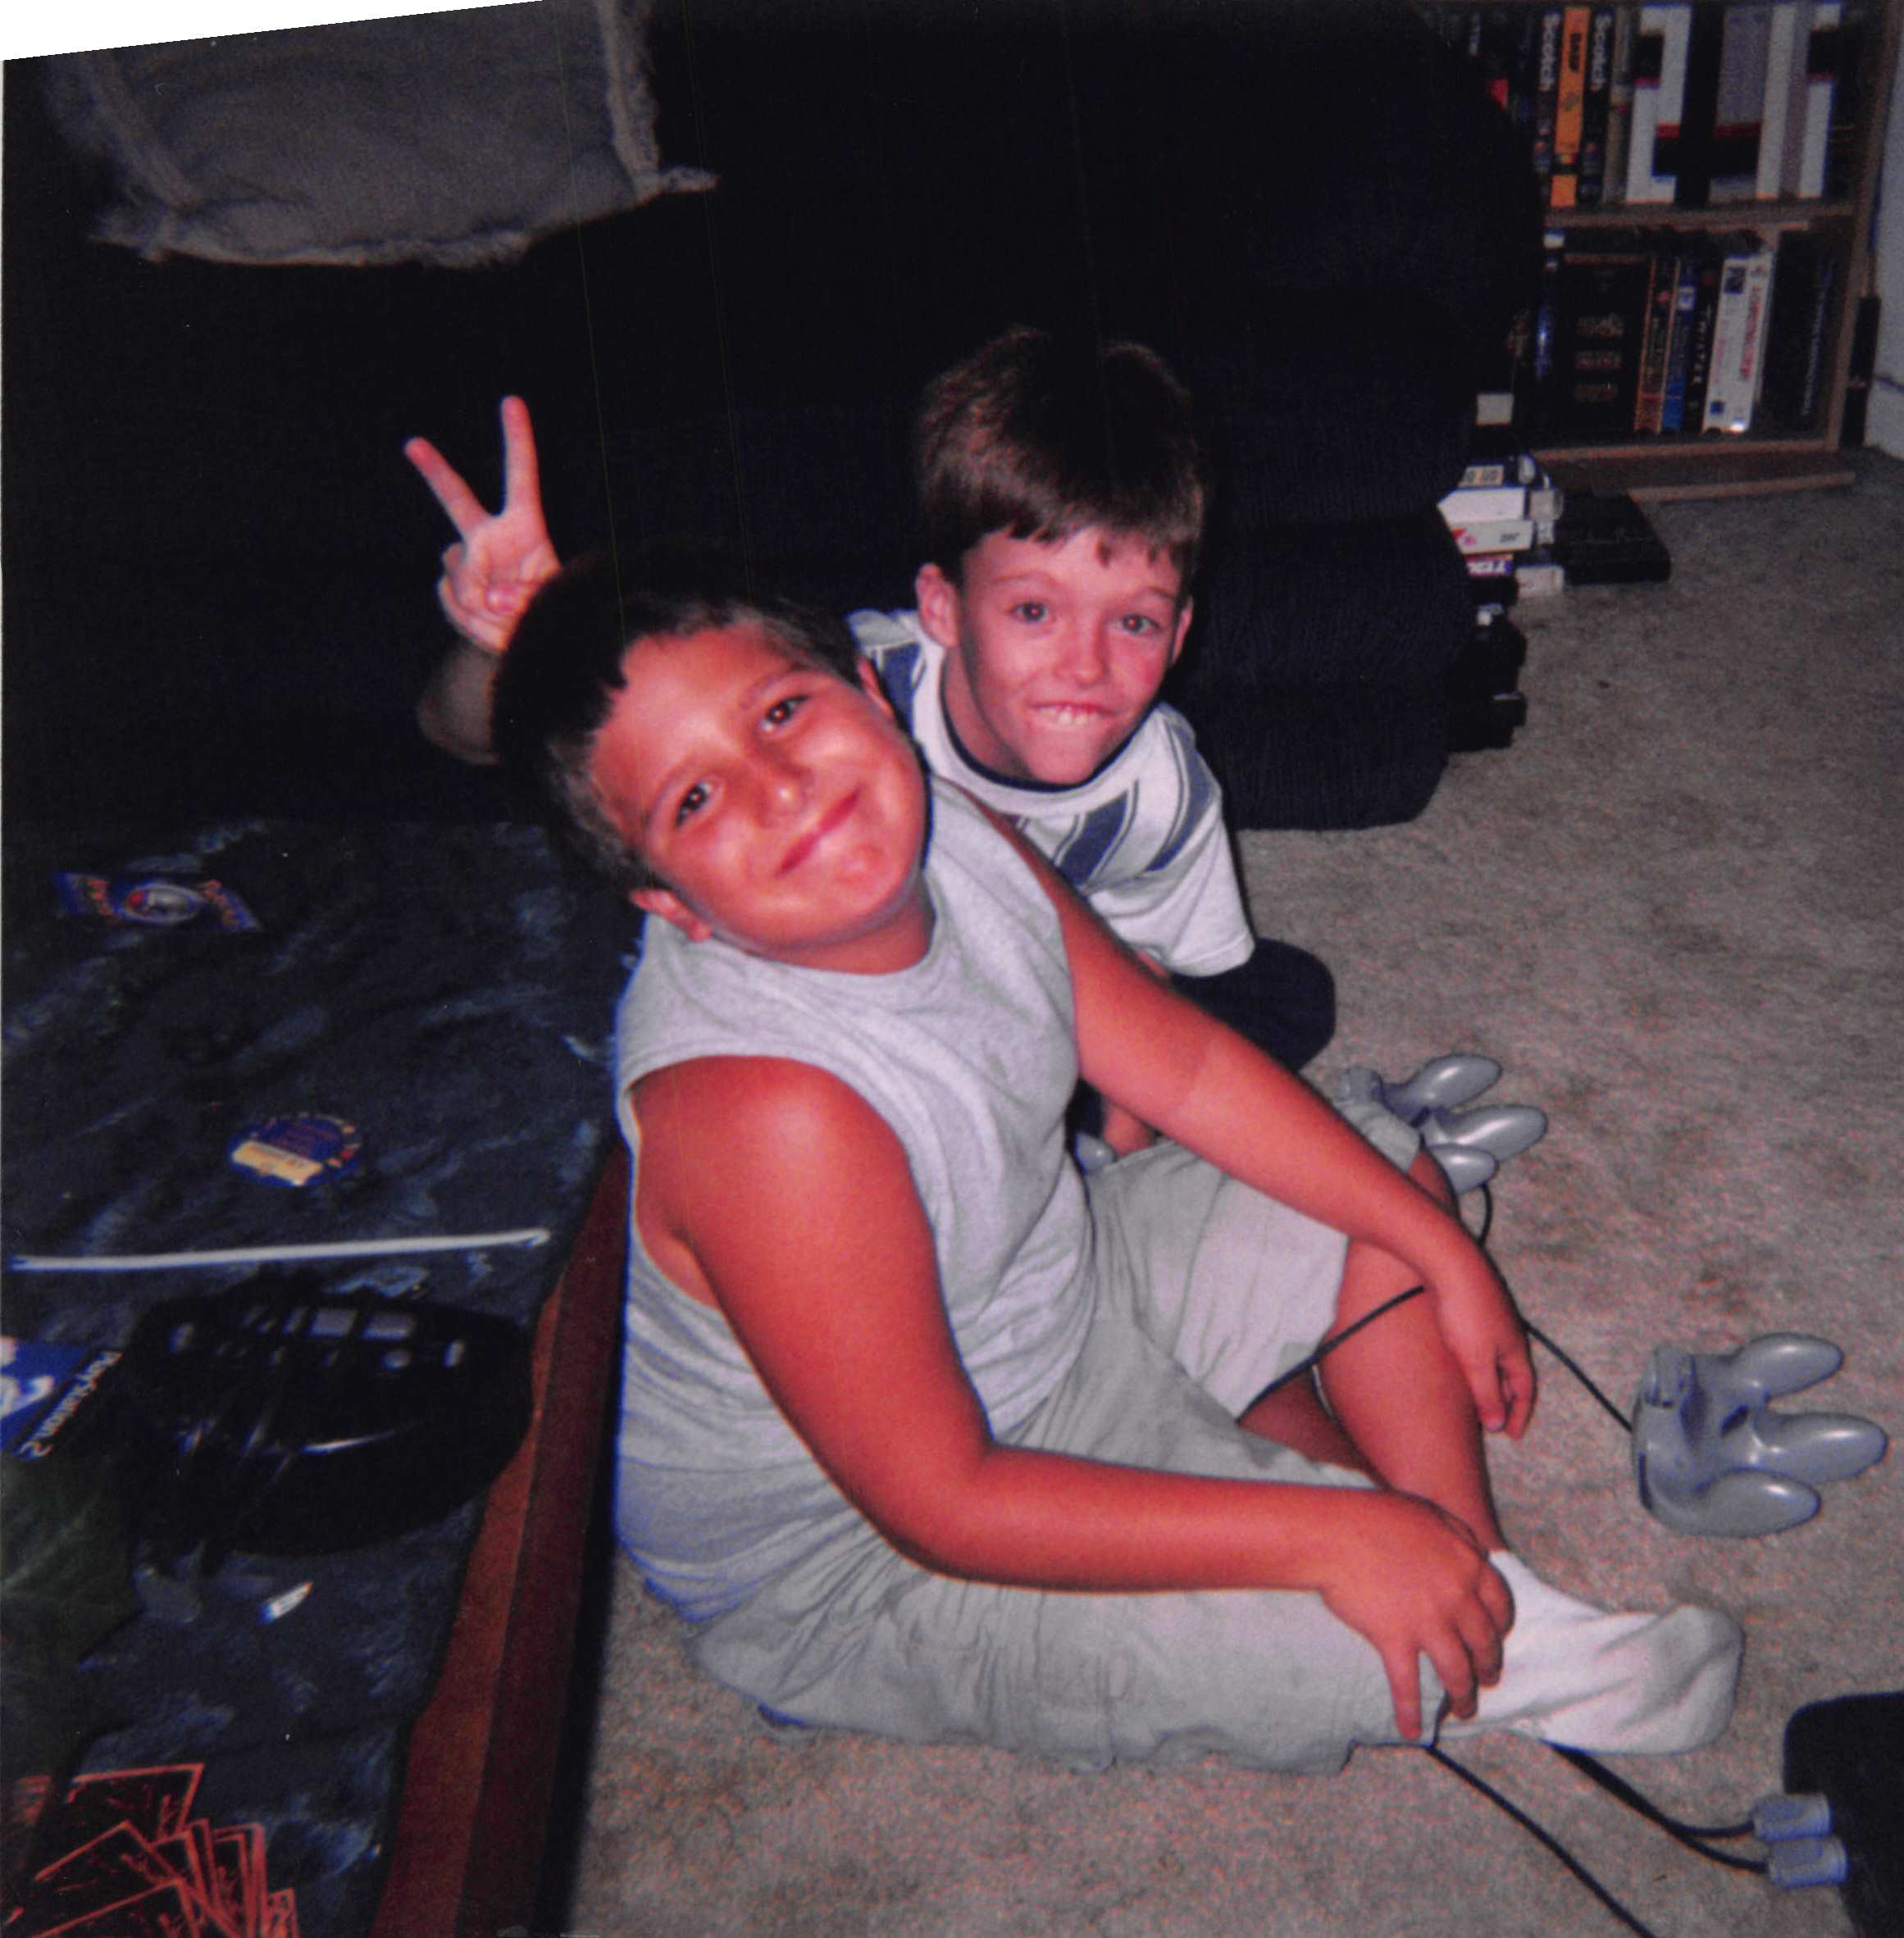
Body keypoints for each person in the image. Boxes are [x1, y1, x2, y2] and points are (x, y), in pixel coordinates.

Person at [488, 546, 1740, 1768]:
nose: (780, 789)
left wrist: (1439, 1255)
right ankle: (1469, 1623)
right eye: (695, 801)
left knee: (1386, 1179)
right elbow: (945, 1500)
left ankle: (1465, 1578)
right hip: (872, 1557)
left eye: (780, 713)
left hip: (1061, 1300)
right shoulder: (766, 1112)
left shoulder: (943, 824)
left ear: (867, 689)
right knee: (1348, 1635)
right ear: (671, 904)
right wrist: (1327, 1540)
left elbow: (1182, 1068)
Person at [405, 329, 1332, 1142]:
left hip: (1040, 996)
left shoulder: (1165, 790)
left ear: (1179, 633)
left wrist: (1132, 1110)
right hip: (831, 988)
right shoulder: (837, 693)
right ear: (944, 606)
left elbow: (1170, 978)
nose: (1085, 667)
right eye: (1034, 611)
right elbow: (462, 738)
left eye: (1133, 622)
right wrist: (523, 644)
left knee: (1283, 997)